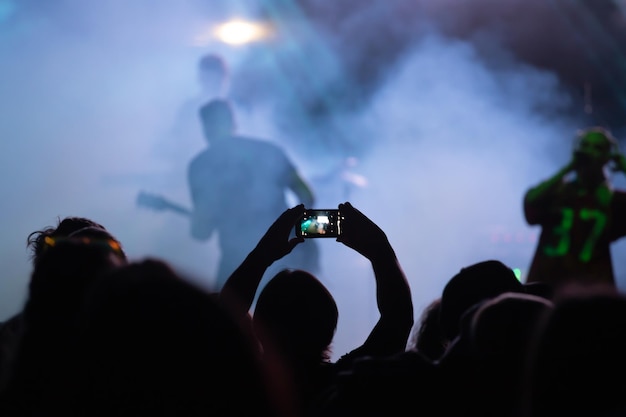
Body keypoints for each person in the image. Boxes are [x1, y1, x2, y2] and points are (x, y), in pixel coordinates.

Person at [219, 202, 414, 416]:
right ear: (329, 323)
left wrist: (262, 254)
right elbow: (398, 319)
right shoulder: (348, 386)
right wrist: (381, 250)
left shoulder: (239, 385)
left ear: (258, 325)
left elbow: (220, 317)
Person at [188, 98, 318, 289]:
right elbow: (306, 195)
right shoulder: (268, 151)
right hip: (285, 258)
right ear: (233, 123)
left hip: (237, 265)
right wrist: (298, 235)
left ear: (205, 129)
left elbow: (200, 232)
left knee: (224, 316)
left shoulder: (199, 167)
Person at [523, 126, 626, 288]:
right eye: (584, 145)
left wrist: (624, 166)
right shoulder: (558, 192)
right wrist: (569, 167)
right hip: (546, 284)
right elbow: (531, 202)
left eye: (597, 148)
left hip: (592, 290)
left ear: (607, 156)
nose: (589, 152)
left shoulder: (614, 200)